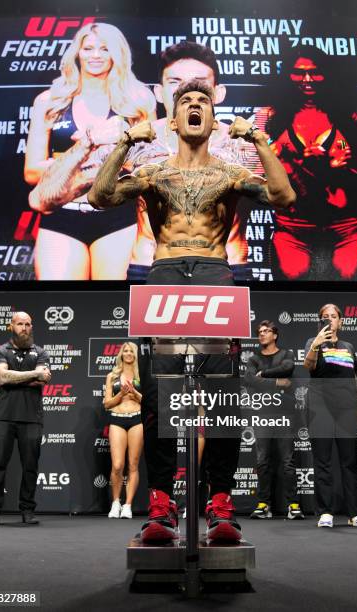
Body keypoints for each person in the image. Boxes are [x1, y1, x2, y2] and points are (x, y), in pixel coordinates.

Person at [87, 79, 295, 542]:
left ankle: (219, 503)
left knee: (221, 396)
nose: (196, 105)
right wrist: (124, 143)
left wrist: (258, 140)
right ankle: (161, 504)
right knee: (160, 396)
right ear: (174, 119)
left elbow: (284, 197)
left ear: (212, 118)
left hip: (215, 273)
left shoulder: (230, 174)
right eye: (186, 101)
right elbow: (100, 198)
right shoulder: (154, 173)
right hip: (162, 271)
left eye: (203, 100)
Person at [25, 22, 156, 279]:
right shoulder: (49, 102)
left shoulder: (138, 101)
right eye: (89, 48)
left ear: (117, 55)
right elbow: (32, 172)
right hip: (61, 216)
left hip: (117, 218)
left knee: (112, 310)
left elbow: (147, 168)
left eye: (105, 49)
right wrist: (97, 158)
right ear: (77, 52)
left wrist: (68, 165)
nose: (96, 55)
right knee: (58, 311)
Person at [125, 40, 251, 281]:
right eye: (175, 82)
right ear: (159, 92)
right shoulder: (137, 142)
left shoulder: (241, 144)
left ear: (219, 93)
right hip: (149, 264)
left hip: (226, 266)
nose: (188, 91)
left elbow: (281, 198)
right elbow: (98, 197)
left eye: (200, 83)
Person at [262, 46, 357, 280]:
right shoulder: (271, 117)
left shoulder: (353, 116)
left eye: (315, 72)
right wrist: (295, 165)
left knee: (350, 291)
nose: (307, 79)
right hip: (293, 227)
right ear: (288, 75)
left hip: (345, 226)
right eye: (299, 73)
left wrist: (341, 171)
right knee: (291, 291)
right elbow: (264, 180)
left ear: (326, 74)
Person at [0, 312, 51, 526]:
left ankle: (27, 509)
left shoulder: (40, 352)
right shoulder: (0, 351)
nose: (24, 328)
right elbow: (1, 376)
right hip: (4, 417)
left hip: (31, 417)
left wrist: (12, 378)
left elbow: (43, 379)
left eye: (28, 324)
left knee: (30, 466)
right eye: (20, 324)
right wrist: (32, 375)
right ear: (11, 326)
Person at [303, 303, 357, 528]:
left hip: (347, 407)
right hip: (320, 406)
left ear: (341, 321)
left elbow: (354, 378)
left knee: (349, 462)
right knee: (323, 461)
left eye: (334, 316)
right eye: (325, 316)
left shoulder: (348, 346)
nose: (330, 319)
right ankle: (325, 512)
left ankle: (354, 512)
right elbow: (308, 367)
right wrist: (317, 345)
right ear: (320, 321)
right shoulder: (313, 343)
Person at [244, 320, 304, 520]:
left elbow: (287, 369)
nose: (262, 334)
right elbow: (249, 380)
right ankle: (263, 504)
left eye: (266, 331)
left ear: (275, 335)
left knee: (287, 462)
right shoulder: (253, 358)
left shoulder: (286, 354)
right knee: (262, 461)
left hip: (284, 414)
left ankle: (293, 505)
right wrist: (276, 382)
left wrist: (264, 376)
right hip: (263, 414)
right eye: (260, 332)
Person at [103, 342, 143, 519]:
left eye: (131, 351)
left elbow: (148, 401)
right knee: (117, 465)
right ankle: (116, 502)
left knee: (133, 464)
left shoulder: (141, 375)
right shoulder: (112, 375)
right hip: (117, 419)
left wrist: (134, 392)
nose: (128, 354)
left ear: (135, 354)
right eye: (125, 351)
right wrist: (120, 394)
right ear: (121, 354)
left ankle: (128, 505)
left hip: (137, 419)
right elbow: (106, 404)